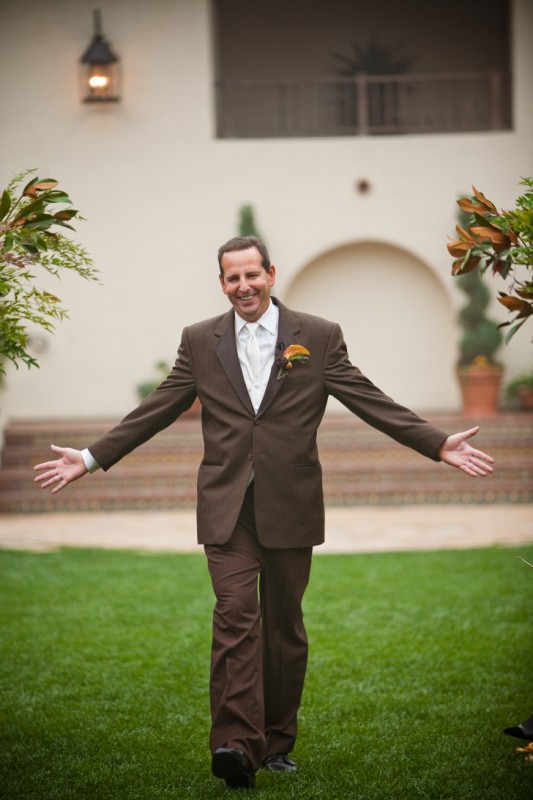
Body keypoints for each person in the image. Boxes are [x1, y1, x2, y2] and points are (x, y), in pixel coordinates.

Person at [35, 235, 495, 790]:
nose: (243, 286)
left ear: (271, 274)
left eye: (252, 275)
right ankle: (234, 745)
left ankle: (277, 743)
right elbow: (159, 406)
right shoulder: (200, 341)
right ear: (222, 283)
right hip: (227, 505)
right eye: (232, 278)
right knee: (233, 616)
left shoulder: (318, 337)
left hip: (290, 503)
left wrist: (436, 443)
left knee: (283, 628)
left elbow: (366, 396)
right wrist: (89, 457)